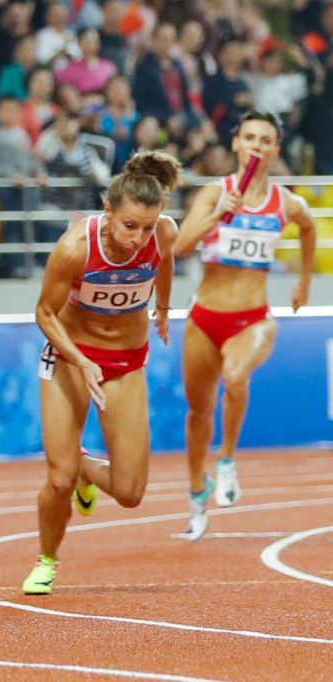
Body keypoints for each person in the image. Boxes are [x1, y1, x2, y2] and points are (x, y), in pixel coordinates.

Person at [23, 150, 182, 595]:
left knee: (131, 492)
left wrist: (163, 308)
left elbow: (164, 259)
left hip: (126, 361)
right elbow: (45, 313)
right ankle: (47, 560)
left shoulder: (163, 235)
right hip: (71, 358)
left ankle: (87, 471)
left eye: (147, 227)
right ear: (108, 211)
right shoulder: (76, 246)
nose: (137, 238)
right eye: (130, 225)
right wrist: (80, 358)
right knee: (57, 477)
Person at [173, 111, 315, 541]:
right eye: (248, 137)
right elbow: (178, 246)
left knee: (235, 376)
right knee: (199, 412)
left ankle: (228, 457)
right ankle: (198, 491)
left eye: (265, 139)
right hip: (204, 317)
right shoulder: (214, 192)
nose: (256, 145)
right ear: (235, 143)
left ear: (274, 150)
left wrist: (304, 282)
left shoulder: (286, 203)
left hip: (252, 318)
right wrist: (218, 214)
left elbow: (309, 230)